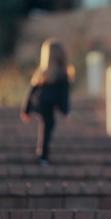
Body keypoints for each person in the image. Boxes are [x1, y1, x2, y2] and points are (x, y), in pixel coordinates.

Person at [21, 38, 70, 166]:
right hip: (48, 104)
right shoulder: (61, 75)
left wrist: (26, 110)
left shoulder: (41, 74)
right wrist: (65, 111)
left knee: (46, 124)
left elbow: (30, 92)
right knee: (48, 125)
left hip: (38, 103)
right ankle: (43, 156)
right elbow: (63, 96)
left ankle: (42, 152)